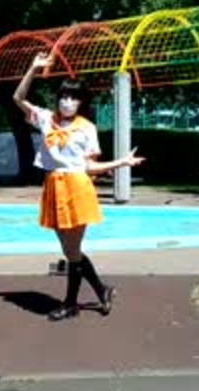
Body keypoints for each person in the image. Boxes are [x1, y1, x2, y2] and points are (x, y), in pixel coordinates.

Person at [13, 52, 145, 321]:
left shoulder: (87, 128)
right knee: (68, 250)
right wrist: (33, 69)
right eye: (63, 96)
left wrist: (121, 162)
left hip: (76, 186)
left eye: (73, 98)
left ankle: (71, 303)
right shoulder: (46, 118)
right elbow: (18, 98)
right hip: (53, 185)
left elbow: (89, 167)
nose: (67, 102)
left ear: (81, 101)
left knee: (72, 251)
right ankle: (102, 289)